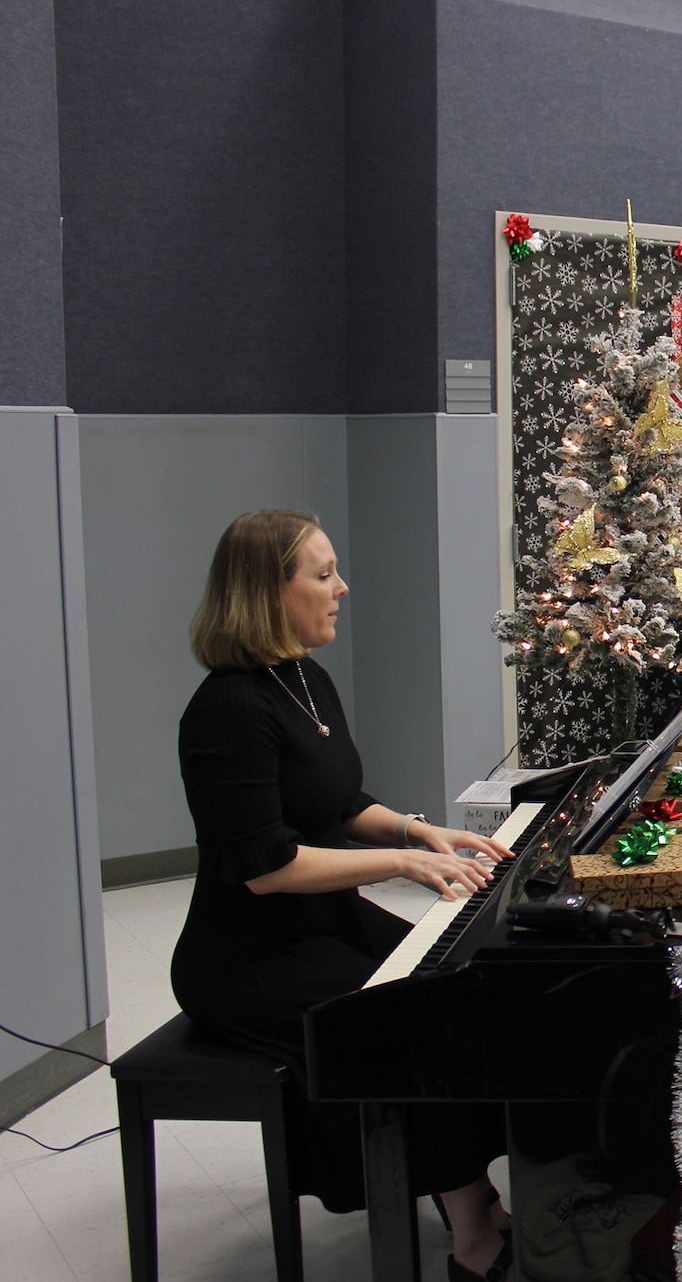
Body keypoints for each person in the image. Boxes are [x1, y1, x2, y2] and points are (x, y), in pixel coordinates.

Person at [172, 511, 513, 1282]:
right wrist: (396, 861)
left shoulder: (305, 675)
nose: (342, 587)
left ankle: (472, 1192)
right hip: (247, 951)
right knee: (398, 1022)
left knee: (452, 988)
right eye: (323, 573)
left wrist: (421, 831)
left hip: (313, 918)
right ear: (267, 591)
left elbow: (338, 800)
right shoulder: (225, 711)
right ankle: (470, 1232)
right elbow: (267, 866)